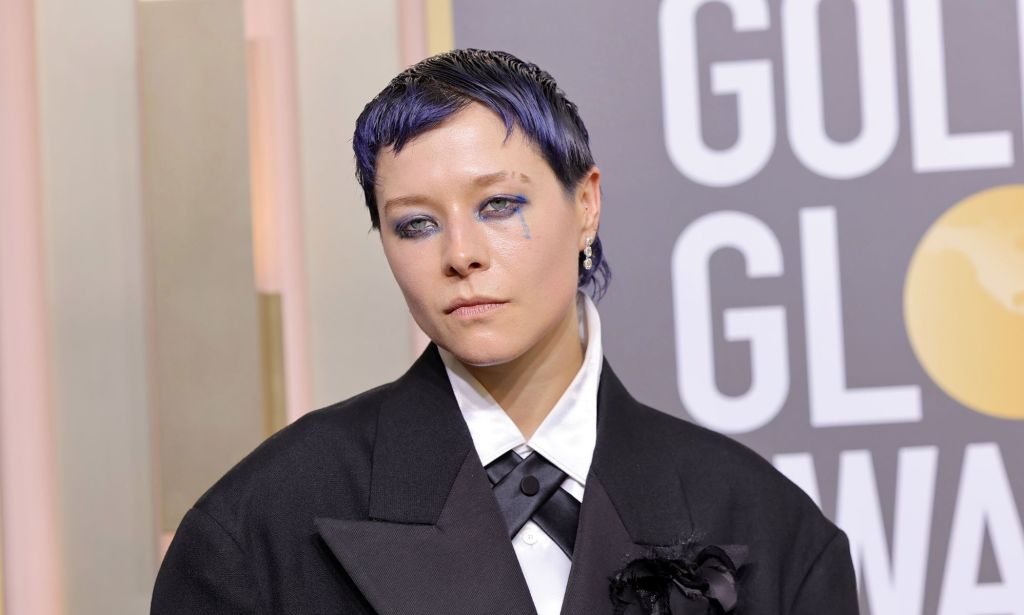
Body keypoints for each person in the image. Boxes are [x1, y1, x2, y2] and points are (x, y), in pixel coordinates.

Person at [151, 49, 858, 615]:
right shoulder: (257, 530)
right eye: (415, 223)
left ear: (586, 205)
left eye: (498, 204)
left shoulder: (771, 528)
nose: (460, 253)